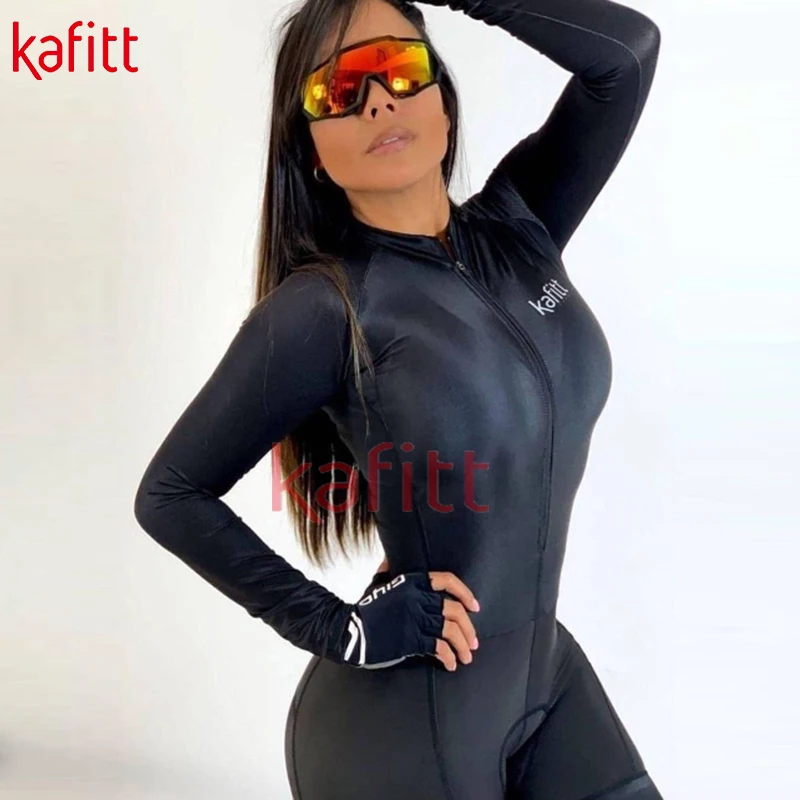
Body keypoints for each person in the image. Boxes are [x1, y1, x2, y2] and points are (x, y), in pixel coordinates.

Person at [133, 0, 662, 796]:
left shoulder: (521, 224)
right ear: (310, 149)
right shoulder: (326, 308)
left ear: (442, 97)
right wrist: (337, 628)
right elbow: (170, 494)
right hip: (406, 717)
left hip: (542, 677)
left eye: (400, 68)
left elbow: (626, 54)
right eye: (339, 89)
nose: (378, 100)